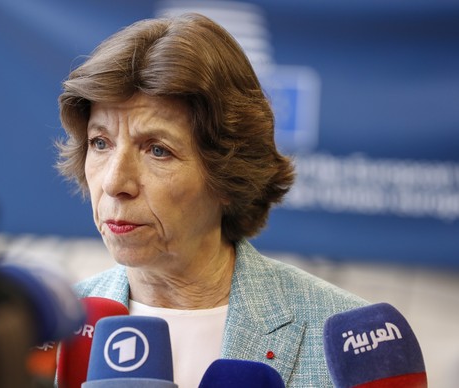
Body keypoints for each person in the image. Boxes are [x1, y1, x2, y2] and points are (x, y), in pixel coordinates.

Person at [55, 13, 368, 387]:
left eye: (157, 150)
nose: (115, 182)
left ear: (227, 174)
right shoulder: (47, 330)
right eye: (100, 143)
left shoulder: (341, 339)